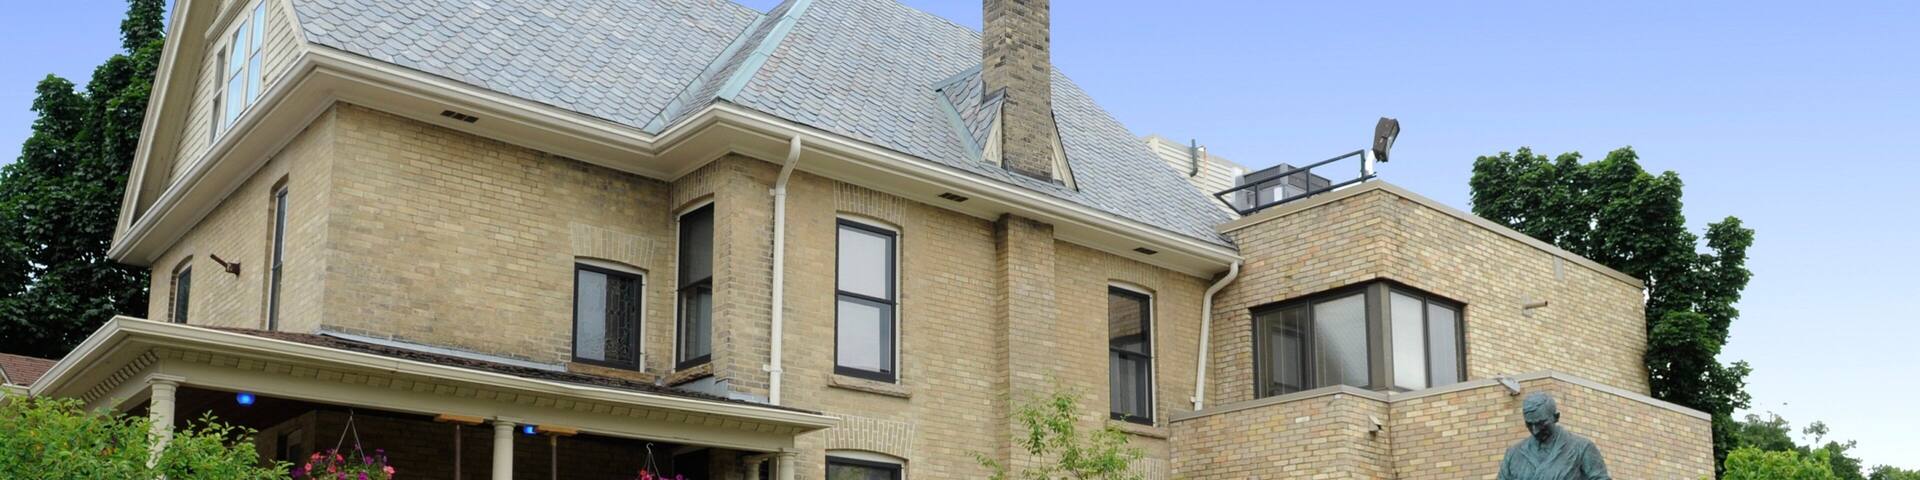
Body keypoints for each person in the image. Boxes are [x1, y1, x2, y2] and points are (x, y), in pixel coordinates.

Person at [1497, 392, 1611, 480]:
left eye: (1541, 423)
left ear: (1556, 417)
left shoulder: (1581, 448)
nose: (1535, 431)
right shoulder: (1513, 454)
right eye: (1529, 424)